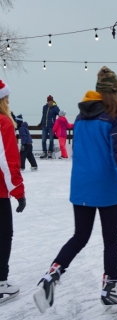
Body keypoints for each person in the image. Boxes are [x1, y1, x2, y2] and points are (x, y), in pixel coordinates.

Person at [33, 66, 117, 313]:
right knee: (110, 240)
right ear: (115, 91)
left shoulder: (81, 118)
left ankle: (52, 274)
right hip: (106, 188)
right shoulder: (115, 117)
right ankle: (110, 290)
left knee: (80, 236)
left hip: (81, 187)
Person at [0, 79, 26, 304]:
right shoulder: (4, 123)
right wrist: (18, 191)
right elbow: (8, 161)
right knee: (3, 234)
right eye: (7, 98)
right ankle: (0, 283)